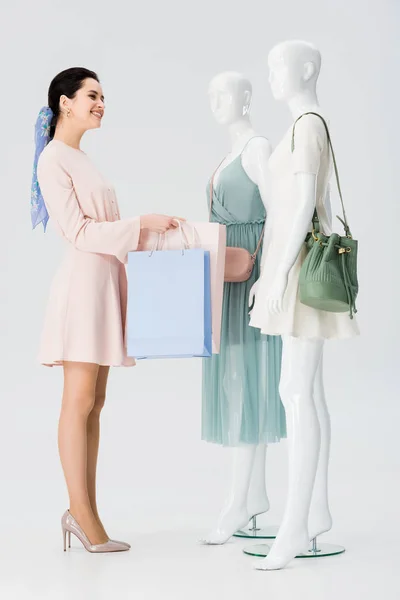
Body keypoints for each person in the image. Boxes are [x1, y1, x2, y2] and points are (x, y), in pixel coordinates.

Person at [32, 67, 182, 553]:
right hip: (82, 290)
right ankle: (81, 514)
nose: (101, 103)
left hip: (103, 288)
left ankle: (85, 512)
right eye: (92, 95)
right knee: (78, 402)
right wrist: (142, 224)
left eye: (102, 96)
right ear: (64, 102)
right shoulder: (53, 159)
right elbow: (79, 233)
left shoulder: (80, 158)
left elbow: (104, 230)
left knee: (95, 404)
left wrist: (149, 232)